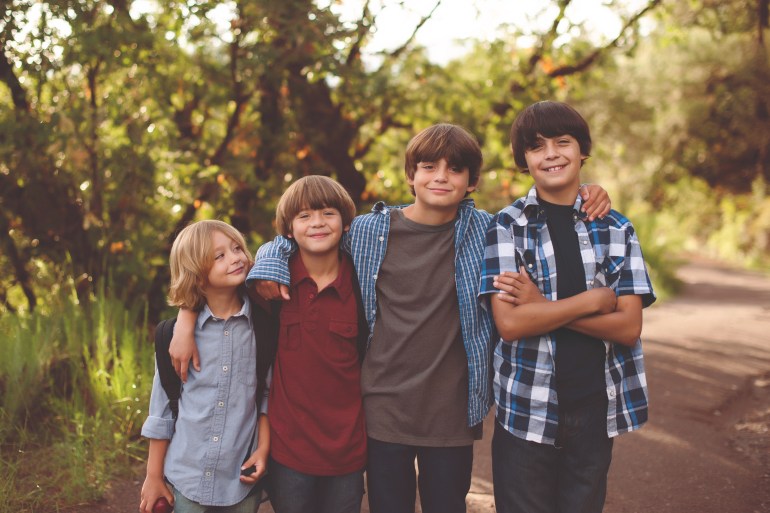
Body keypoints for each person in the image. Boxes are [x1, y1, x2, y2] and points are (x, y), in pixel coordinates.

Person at [241, 124, 612, 513]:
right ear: (410, 176)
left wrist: (588, 192)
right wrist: (268, 261)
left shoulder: (489, 229)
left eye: (454, 169)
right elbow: (303, 232)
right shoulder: (369, 231)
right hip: (382, 410)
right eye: (429, 166)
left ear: (471, 182)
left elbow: (539, 209)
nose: (440, 177)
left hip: (451, 414)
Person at [478, 101, 656, 513]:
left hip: (595, 408)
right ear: (524, 160)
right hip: (526, 407)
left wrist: (543, 308)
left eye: (563, 142)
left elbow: (629, 328)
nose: (552, 153)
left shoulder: (615, 228)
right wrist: (593, 302)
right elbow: (510, 324)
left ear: (582, 151)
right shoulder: (507, 226)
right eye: (537, 146)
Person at [168, 176, 368, 513]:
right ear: (288, 230)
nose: (317, 222)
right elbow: (210, 290)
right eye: (304, 216)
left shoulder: (363, 285)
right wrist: (184, 320)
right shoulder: (268, 284)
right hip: (287, 449)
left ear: (346, 223)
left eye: (328, 213)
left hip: (346, 450)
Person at [139, 220, 270, 513]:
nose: (235, 257)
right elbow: (161, 409)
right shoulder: (175, 338)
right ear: (197, 277)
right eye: (219, 256)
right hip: (187, 477)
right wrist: (153, 475)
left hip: (241, 479)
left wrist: (263, 449)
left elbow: (266, 397)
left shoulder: (263, 327)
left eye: (237, 248)